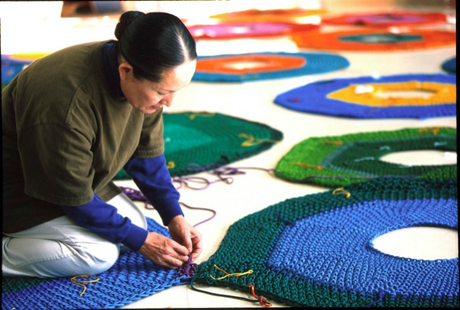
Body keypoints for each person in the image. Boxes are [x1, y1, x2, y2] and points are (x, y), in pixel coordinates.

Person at [2, 11, 202, 278]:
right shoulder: (65, 104)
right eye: (163, 92)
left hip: (67, 178)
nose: (169, 103)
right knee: (98, 254)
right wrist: (142, 241)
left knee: (135, 225)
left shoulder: (139, 74)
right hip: (19, 192)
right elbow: (72, 195)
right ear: (126, 72)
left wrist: (174, 215)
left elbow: (146, 157)